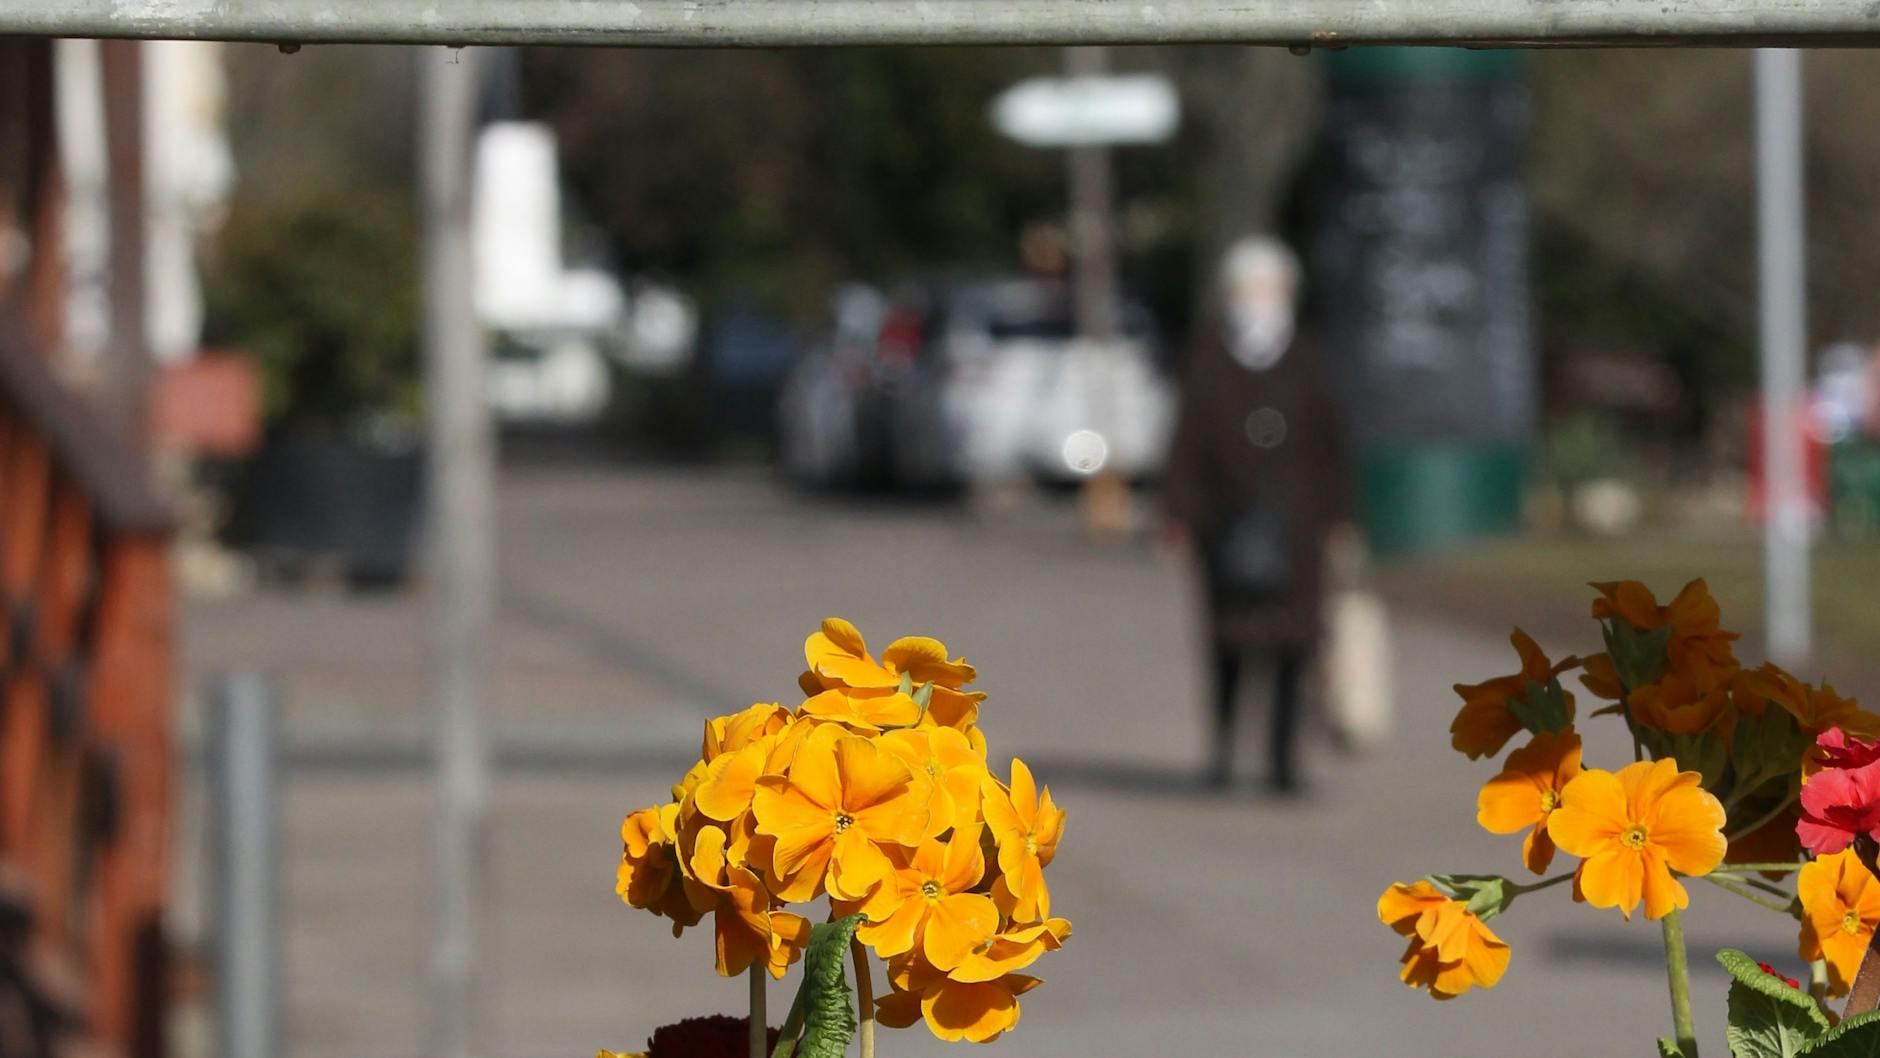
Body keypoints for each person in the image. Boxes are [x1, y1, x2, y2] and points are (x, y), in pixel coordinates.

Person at [1162, 236, 1352, 795]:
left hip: (1298, 529)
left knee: (1294, 646)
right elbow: (1186, 441)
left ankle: (1282, 761)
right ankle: (1222, 753)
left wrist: (1340, 517)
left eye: (1269, 287)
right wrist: (1179, 512)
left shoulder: (1309, 359)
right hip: (1225, 525)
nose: (1260, 298)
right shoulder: (1208, 357)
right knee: (1227, 644)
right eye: (1250, 287)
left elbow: (1333, 444)